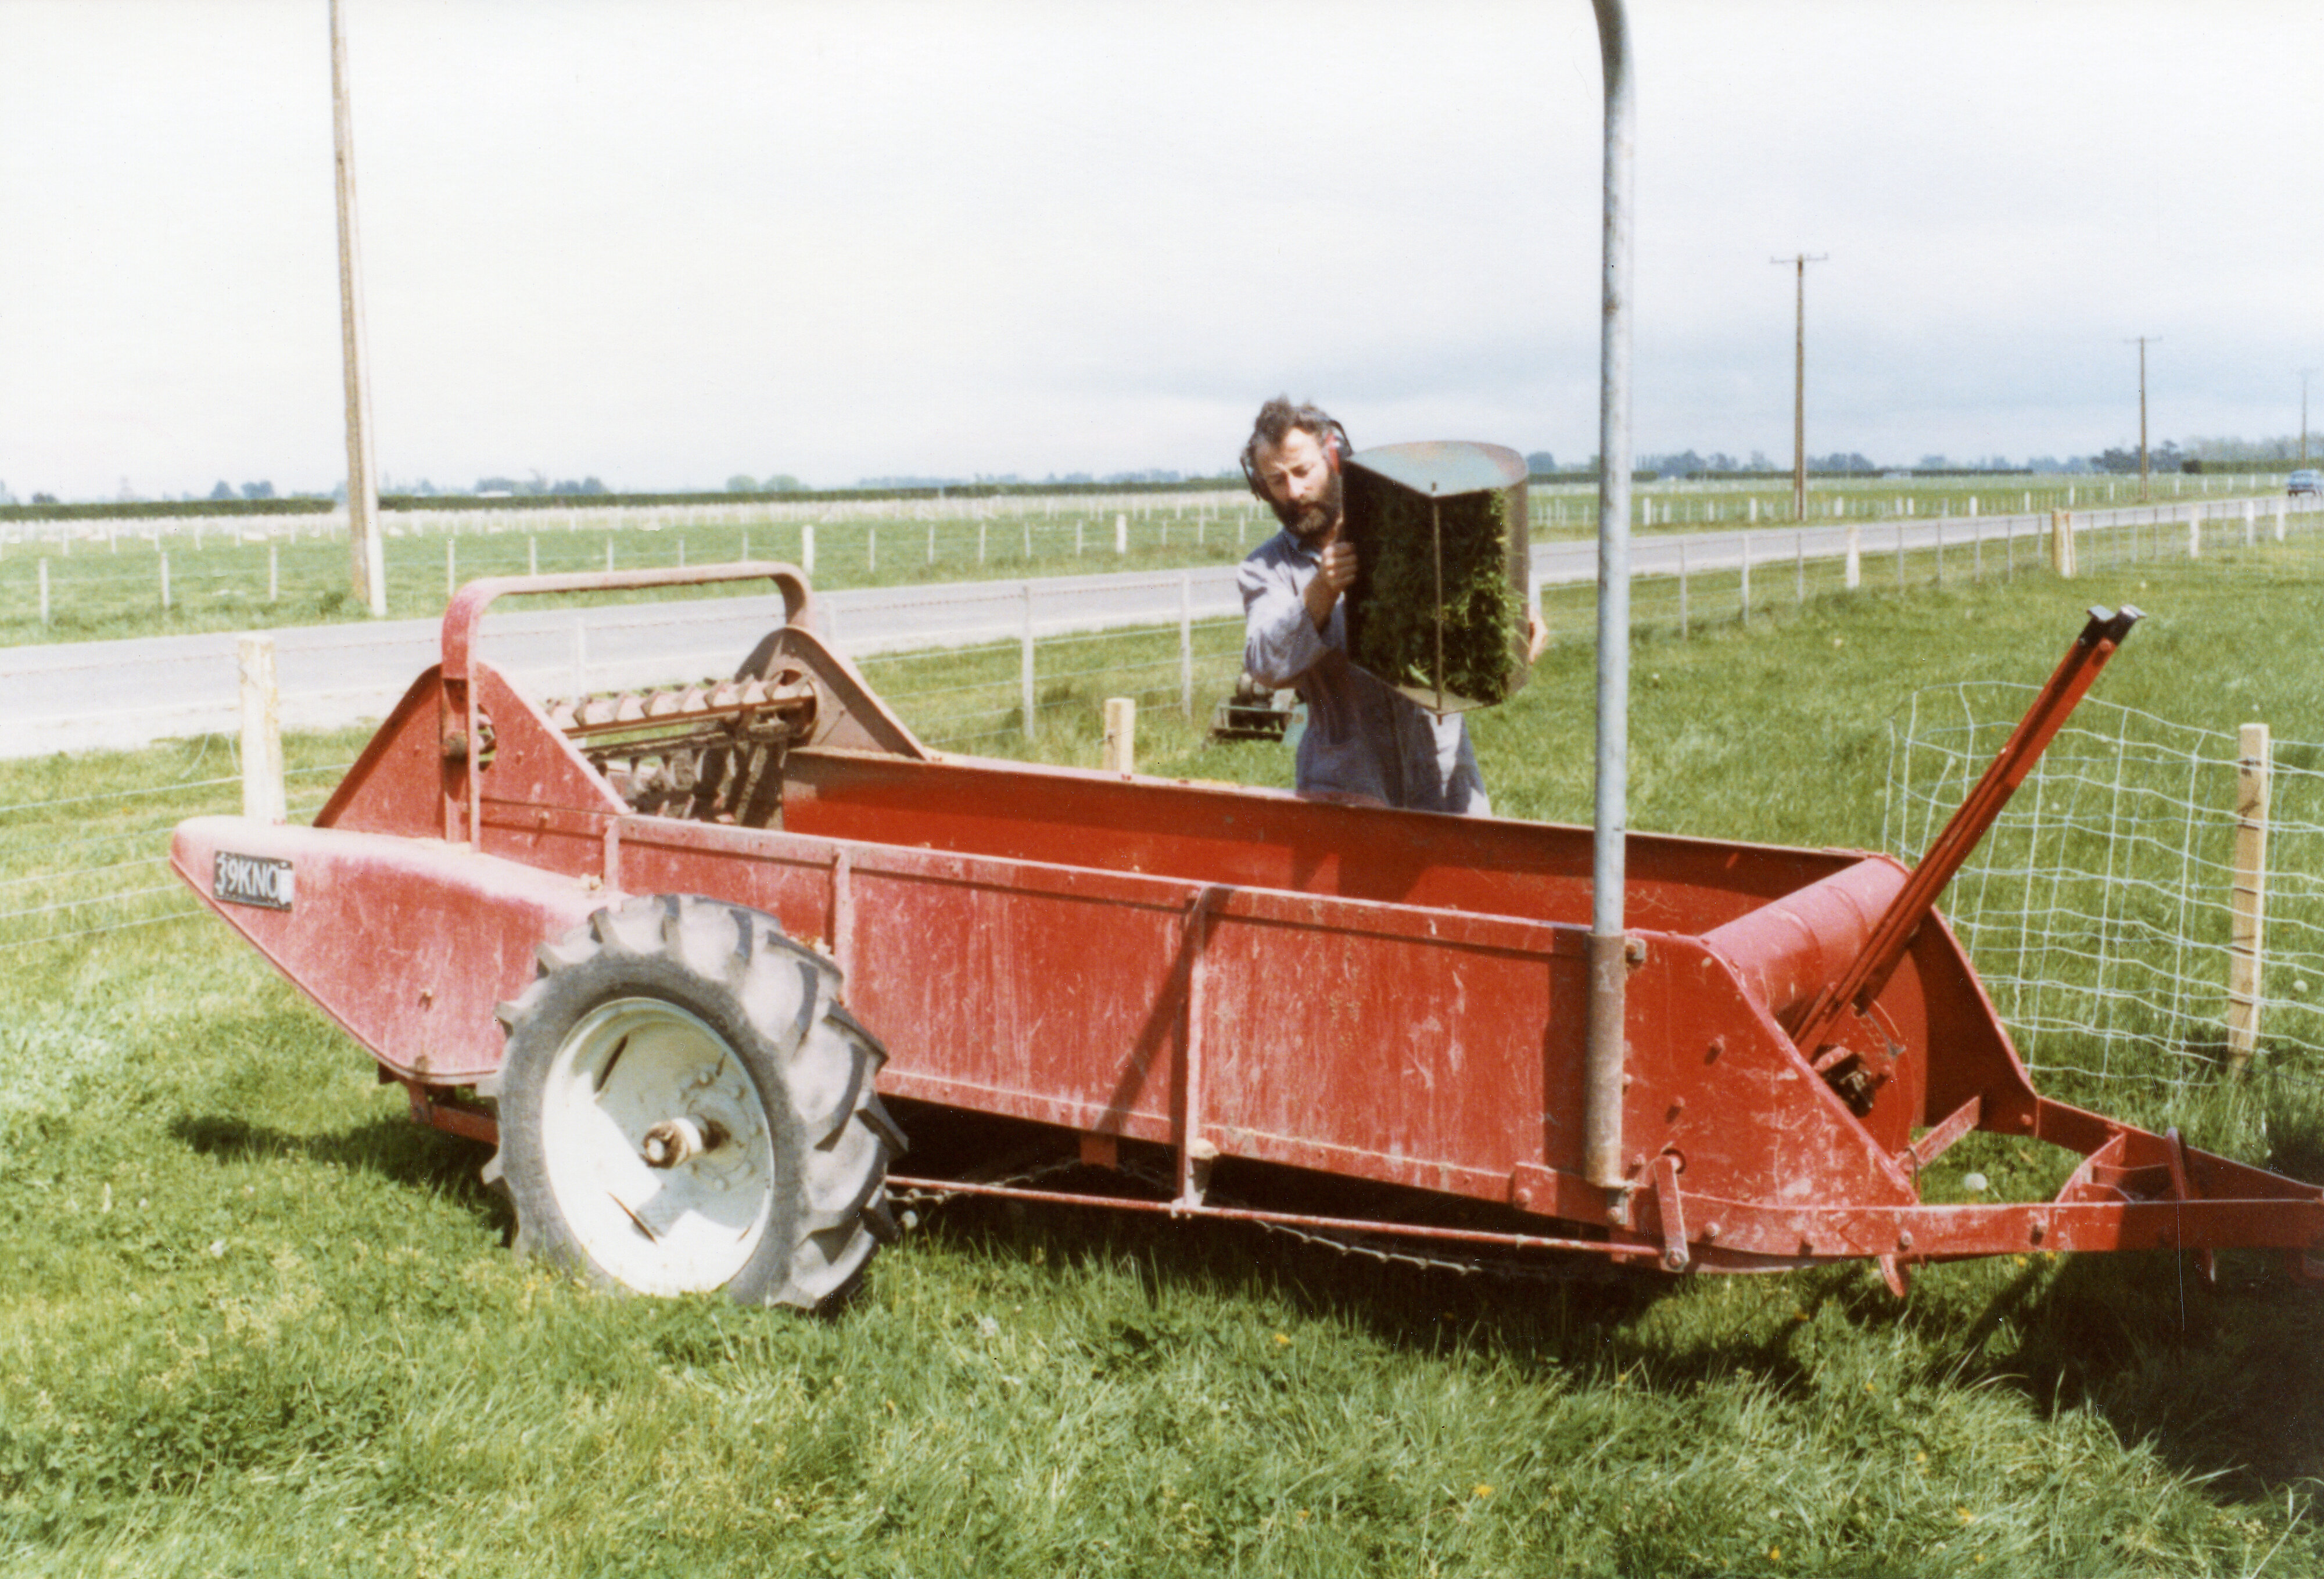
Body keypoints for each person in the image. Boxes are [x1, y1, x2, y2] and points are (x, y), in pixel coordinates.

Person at [1236, 396, 1509, 815]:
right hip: (1345, 784)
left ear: (1335, 458)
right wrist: (1322, 590)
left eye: (1303, 471)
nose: (1294, 491)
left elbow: (1483, 573)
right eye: (1276, 481)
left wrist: (1515, 618)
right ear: (1261, 487)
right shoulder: (1264, 569)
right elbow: (1265, 663)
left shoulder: (1408, 524)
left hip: (1441, 771)